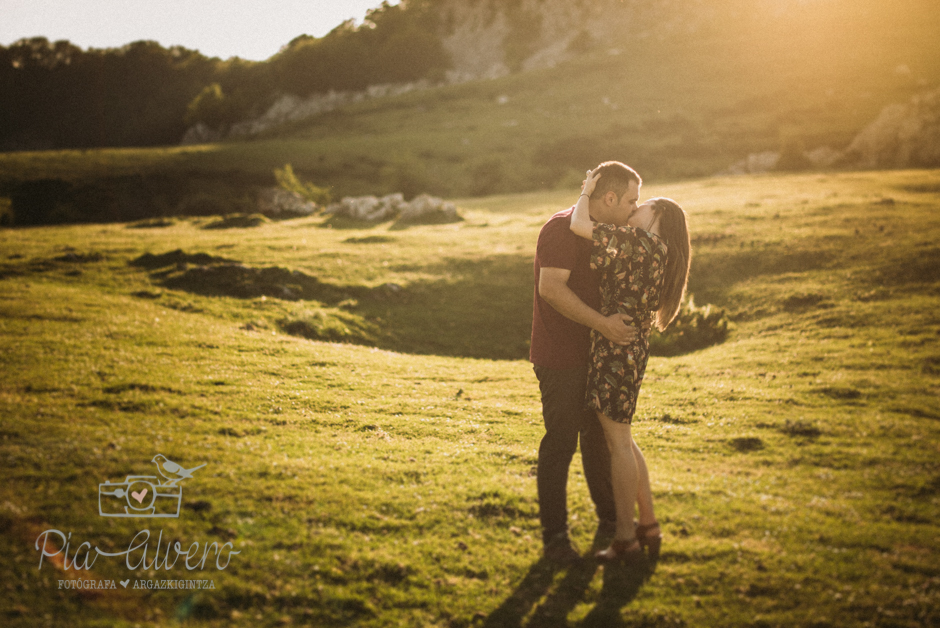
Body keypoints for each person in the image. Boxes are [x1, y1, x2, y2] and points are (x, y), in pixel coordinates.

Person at [568, 167, 692, 564]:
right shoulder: (657, 250)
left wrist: (587, 191)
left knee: (618, 443)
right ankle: (648, 524)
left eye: (643, 205)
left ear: (657, 217)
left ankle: (625, 538)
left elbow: (578, 225)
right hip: (631, 348)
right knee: (624, 438)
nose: (635, 209)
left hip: (615, 349)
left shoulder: (640, 241)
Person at [529, 161, 645, 563]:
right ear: (609, 198)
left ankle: (611, 522)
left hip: (599, 356)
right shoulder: (560, 229)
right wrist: (604, 325)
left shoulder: (609, 233)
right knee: (560, 443)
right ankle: (556, 539)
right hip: (561, 356)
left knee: (597, 442)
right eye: (631, 200)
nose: (635, 208)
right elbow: (551, 289)